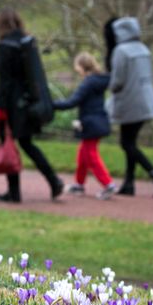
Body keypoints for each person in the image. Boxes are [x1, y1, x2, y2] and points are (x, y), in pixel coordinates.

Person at [0, 8, 63, 203]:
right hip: (29, 101)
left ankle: (15, 191)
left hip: (13, 103)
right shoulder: (26, 44)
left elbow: (5, 81)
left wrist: (0, 107)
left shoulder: (6, 46)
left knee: (10, 144)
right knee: (26, 144)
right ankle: (52, 179)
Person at [105, 16, 153, 198]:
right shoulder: (143, 49)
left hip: (129, 102)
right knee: (130, 142)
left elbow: (117, 81)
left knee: (126, 143)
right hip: (146, 102)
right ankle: (129, 182)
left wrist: (108, 88)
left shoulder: (121, 51)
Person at [53, 52, 116, 200]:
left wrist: (51, 105)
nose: (76, 70)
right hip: (97, 121)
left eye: (77, 67)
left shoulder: (88, 82)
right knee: (83, 154)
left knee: (91, 155)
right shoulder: (99, 80)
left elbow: (72, 102)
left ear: (81, 66)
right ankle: (79, 185)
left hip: (91, 123)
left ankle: (108, 185)